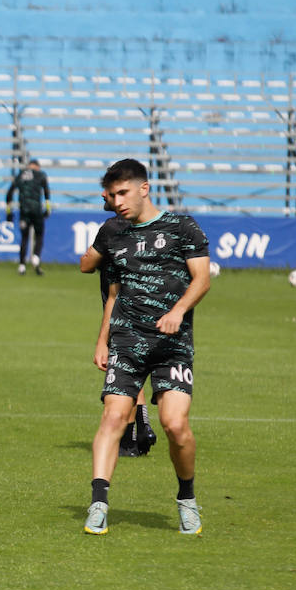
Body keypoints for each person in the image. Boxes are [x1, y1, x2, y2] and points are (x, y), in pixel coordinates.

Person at [85, 158, 210, 537]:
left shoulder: (182, 227)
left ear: (144, 188)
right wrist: (103, 339)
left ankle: (186, 498)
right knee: (113, 418)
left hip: (172, 344)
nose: (118, 200)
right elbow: (110, 290)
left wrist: (178, 311)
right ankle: (98, 504)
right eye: (112, 195)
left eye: (124, 192)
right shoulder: (114, 232)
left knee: (176, 425)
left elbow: (201, 279)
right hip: (126, 339)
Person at [79, 190, 156, 458]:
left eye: (111, 192)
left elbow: (86, 266)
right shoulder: (151, 226)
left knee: (122, 375)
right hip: (152, 309)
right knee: (135, 369)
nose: (104, 194)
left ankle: (128, 437)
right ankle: (143, 424)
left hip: (121, 312)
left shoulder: (112, 228)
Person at [5, 158, 50, 275]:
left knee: (24, 237)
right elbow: (46, 192)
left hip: (24, 211)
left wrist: (9, 212)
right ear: (37, 167)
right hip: (37, 210)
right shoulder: (41, 175)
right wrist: (48, 209)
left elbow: (9, 194)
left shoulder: (20, 175)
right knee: (39, 235)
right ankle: (36, 257)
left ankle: (21, 266)